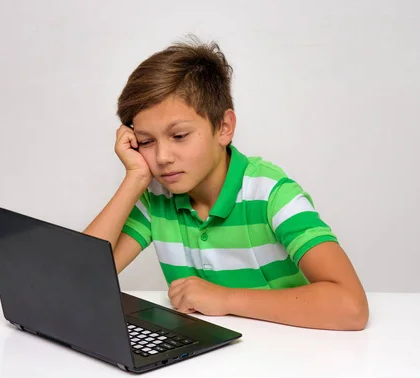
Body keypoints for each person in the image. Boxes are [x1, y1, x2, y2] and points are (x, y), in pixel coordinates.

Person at [83, 35, 368, 330]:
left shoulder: (272, 194)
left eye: (179, 136)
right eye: (146, 141)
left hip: (290, 357)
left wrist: (226, 299)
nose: (163, 157)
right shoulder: (156, 197)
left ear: (224, 127)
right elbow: (79, 281)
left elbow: (351, 306)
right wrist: (135, 179)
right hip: (211, 363)